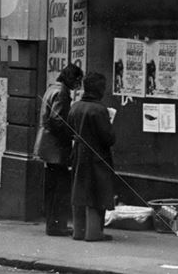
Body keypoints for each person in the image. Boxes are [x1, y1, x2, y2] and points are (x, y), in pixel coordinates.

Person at [33, 63, 83, 236]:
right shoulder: (62, 93)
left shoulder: (52, 88)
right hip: (56, 147)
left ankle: (53, 224)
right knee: (60, 187)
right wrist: (72, 134)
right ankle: (57, 226)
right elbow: (58, 120)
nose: (78, 84)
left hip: (47, 145)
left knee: (53, 186)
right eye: (77, 80)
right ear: (70, 78)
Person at [68, 71, 116, 242]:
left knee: (79, 191)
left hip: (79, 154)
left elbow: (69, 130)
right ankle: (94, 233)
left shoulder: (75, 107)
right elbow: (108, 138)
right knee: (97, 194)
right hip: (97, 156)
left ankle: (78, 231)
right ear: (99, 90)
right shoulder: (99, 110)